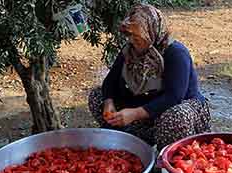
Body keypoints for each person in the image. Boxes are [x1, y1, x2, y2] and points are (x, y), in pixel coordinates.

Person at [88, 4, 210, 151]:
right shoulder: (130, 50)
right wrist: (109, 103)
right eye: (130, 35)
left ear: (152, 31)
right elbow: (110, 81)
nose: (132, 40)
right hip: (142, 111)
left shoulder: (175, 53)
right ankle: (130, 141)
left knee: (176, 117)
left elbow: (174, 97)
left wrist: (135, 113)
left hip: (172, 110)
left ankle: (166, 156)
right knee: (97, 96)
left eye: (138, 36)